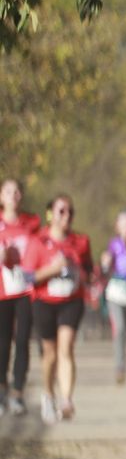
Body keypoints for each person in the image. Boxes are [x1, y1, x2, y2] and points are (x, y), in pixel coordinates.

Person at [23, 195, 94, 422]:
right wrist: (53, 269)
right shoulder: (38, 241)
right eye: (62, 211)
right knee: (50, 352)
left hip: (72, 300)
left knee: (67, 346)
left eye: (70, 212)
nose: (67, 216)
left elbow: (89, 271)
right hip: (44, 301)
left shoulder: (81, 242)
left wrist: (84, 274)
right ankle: (48, 394)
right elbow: (28, 276)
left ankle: (66, 399)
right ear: (50, 214)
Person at [1, 178, 40, 416]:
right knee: (2, 343)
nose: (13, 196)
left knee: (23, 340)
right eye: (8, 191)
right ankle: (1, 388)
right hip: (2, 291)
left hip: (26, 291)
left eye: (17, 191)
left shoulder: (32, 223)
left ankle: (17, 392)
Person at [98, 211, 126, 386]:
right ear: (117, 226)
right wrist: (105, 261)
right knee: (119, 328)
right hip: (116, 290)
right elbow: (107, 263)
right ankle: (120, 366)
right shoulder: (114, 244)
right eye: (123, 223)